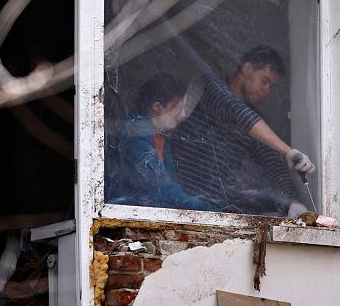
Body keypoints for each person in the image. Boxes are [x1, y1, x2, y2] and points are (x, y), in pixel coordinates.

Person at [171, 45, 315, 217]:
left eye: (271, 86)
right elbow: (236, 110)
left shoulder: (255, 123)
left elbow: (273, 163)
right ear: (247, 69)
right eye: (264, 81)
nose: (267, 91)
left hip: (215, 210)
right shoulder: (211, 87)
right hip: (178, 202)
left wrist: (293, 202)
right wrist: (288, 151)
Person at [105, 73, 218, 211]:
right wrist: (210, 212)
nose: (182, 115)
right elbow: (164, 189)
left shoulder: (160, 138)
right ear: (157, 107)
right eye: (179, 108)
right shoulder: (133, 137)